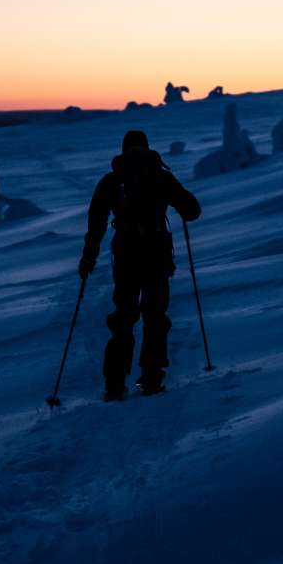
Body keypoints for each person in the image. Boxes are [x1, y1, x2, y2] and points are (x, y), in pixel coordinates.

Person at [79, 130, 201, 401]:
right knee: (155, 315)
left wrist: (88, 257)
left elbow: (96, 223)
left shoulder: (112, 180)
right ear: (146, 148)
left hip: (126, 257)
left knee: (124, 317)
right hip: (157, 255)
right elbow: (192, 211)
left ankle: (114, 383)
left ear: (123, 150)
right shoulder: (160, 175)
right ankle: (151, 378)